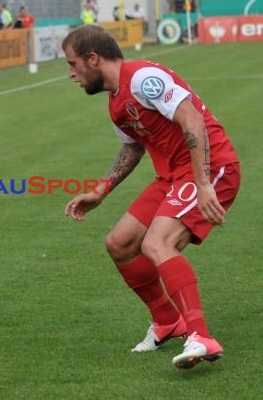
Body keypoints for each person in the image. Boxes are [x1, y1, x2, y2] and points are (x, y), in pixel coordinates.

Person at [61, 25, 240, 370]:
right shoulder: (115, 103)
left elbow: (193, 120)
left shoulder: (143, 78)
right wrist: (100, 192)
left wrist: (204, 184)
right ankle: (167, 321)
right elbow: (132, 147)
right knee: (120, 243)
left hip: (211, 166)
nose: (71, 73)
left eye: (73, 64)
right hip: (173, 175)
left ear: (93, 58)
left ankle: (201, 336)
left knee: (157, 243)